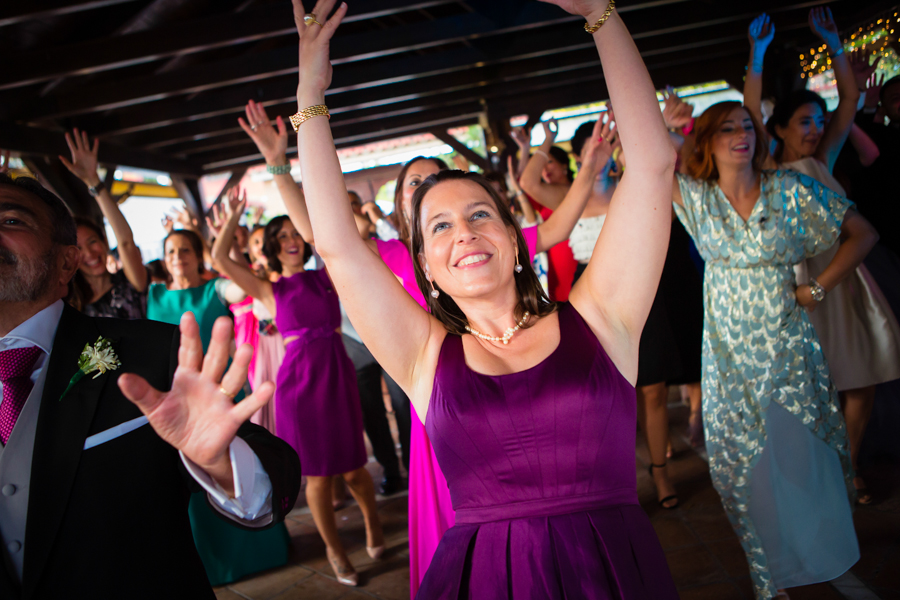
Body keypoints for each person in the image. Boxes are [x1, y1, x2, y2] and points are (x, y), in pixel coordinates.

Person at [291, 0, 680, 597]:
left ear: (516, 240)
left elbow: (652, 164)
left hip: (609, 568)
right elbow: (337, 244)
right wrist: (310, 93)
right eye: (439, 227)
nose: (464, 232)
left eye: (479, 214)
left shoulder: (603, 319)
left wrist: (603, 16)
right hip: (485, 578)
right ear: (424, 265)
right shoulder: (423, 356)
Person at [0, 174, 301, 599]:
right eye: (171, 252)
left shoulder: (155, 352)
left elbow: (276, 475)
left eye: (11, 220)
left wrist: (220, 461)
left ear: (67, 262)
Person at [673, 97, 880, 598]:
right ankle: (768, 576)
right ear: (706, 142)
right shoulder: (696, 198)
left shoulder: (788, 189)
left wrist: (818, 288)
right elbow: (650, 154)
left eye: (746, 125)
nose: (740, 134)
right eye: (726, 128)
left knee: (806, 458)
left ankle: (829, 562)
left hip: (787, 347)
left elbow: (862, 234)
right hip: (727, 358)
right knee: (739, 468)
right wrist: (663, 122)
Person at [744, 9, 900, 505]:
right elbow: (749, 111)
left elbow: (850, 100)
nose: (814, 129)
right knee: (816, 383)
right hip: (800, 281)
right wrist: (758, 52)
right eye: (804, 122)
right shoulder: (768, 167)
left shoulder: (826, 157)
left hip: (846, 276)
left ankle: (849, 466)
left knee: (863, 374)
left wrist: (833, 43)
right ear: (781, 130)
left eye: (817, 121)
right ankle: (817, 469)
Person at [211, 190, 385, 586]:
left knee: (357, 470)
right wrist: (234, 218)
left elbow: (359, 234)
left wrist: (322, 215)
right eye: (282, 235)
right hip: (298, 387)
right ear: (273, 247)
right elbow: (220, 260)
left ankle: (374, 525)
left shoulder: (327, 275)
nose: (291, 240)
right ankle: (335, 550)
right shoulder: (270, 289)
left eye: (295, 233)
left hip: (337, 375)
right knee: (319, 478)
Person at [147, 226, 291, 586]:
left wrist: (227, 237)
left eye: (184, 250)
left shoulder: (215, 289)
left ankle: (263, 551)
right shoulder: (151, 294)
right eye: (171, 251)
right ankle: (216, 563)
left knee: (241, 470)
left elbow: (243, 286)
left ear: (199, 256)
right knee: (195, 483)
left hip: (222, 396)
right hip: (178, 407)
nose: (178, 257)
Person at [59, 129, 149, 318]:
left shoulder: (131, 283)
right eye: (79, 248)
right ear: (69, 257)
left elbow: (125, 240)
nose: (90, 253)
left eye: (92, 242)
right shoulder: (69, 305)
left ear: (104, 243)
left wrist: (94, 181)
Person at [518, 120, 580, 301]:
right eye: (541, 165)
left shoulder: (573, 191)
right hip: (553, 259)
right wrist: (524, 148)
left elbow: (527, 182)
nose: (543, 169)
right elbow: (524, 180)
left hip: (573, 255)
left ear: (564, 165)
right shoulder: (545, 195)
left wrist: (548, 140)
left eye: (550, 162)